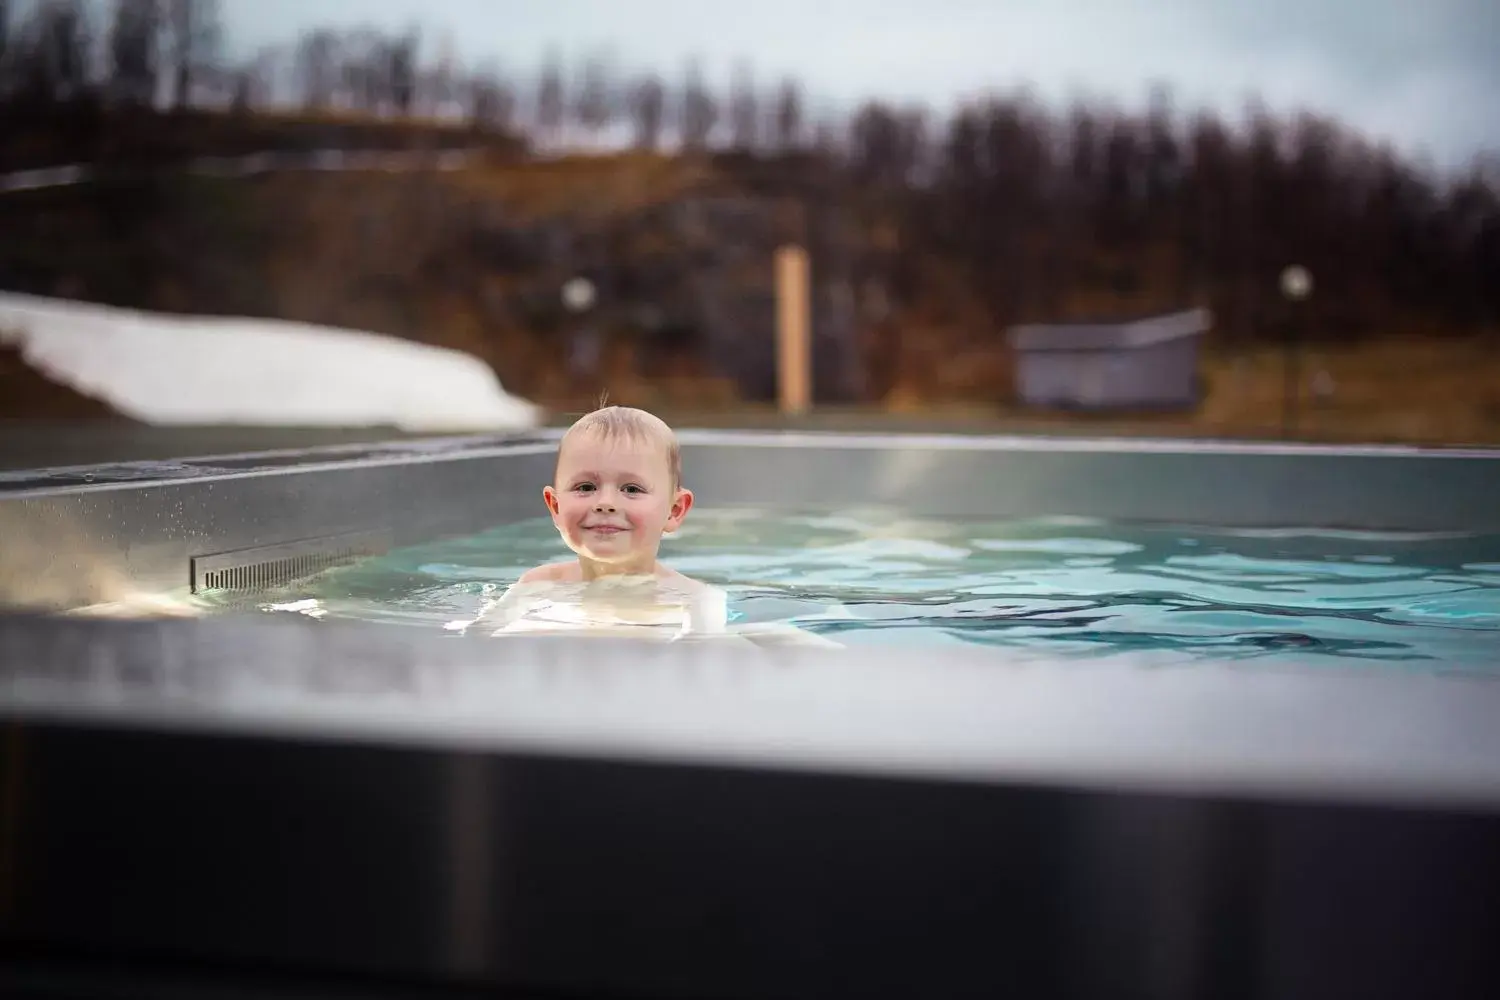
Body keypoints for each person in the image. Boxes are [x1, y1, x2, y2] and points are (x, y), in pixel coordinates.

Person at [473, 404, 727, 638]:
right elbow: (475, 637)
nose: (605, 502)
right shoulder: (539, 584)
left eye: (631, 489)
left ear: (674, 511)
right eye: (585, 486)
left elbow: (708, 655)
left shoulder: (695, 598)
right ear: (556, 506)